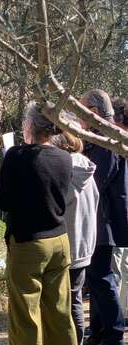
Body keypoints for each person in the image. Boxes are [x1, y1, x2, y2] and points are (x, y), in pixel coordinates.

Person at [0, 101, 77, 345]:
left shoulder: (16, 156)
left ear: (30, 125)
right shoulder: (65, 158)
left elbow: (3, 201)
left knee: (26, 314)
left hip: (29, 243)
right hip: (59, 240)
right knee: (60, 311)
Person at [79, 90, 128, 345]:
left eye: (82, 109)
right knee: (96, 280)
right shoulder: (101, 137)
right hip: (98, 221)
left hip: (103, 223)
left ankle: (114, 332)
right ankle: (99, 330)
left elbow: (97, 179)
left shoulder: (107, 140)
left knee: (102, 278)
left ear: (94, 112)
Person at [51, 131, 99, 345]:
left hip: (65, 242)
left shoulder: (65, 169)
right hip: (84, 244)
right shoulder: (87, 166)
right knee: (76, 300)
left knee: (66, 303)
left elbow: (57, 203)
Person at [111, 98, 128, 322]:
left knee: (117, 268)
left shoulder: (118, 146)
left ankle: (115, 319)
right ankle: (122, 315)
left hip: (119, 217)